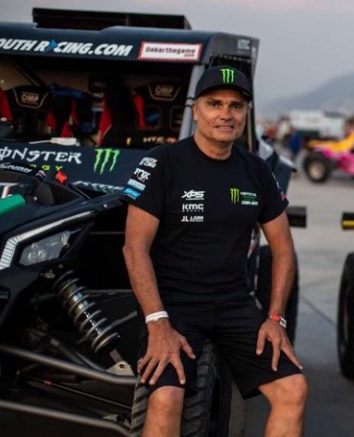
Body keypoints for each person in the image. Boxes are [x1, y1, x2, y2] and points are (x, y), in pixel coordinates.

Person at [122, 66, 307, 437]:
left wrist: (276, 318)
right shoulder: (163, 162)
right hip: (173, 305)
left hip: (234, 304)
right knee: (166, 399)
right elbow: (134, 247)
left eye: (236, 106)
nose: (226, 114)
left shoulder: (256, 170)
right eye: (215, 104)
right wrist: (157, 322)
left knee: (293, 390)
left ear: (245, 114)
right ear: (196, 110)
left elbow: (283, 249)